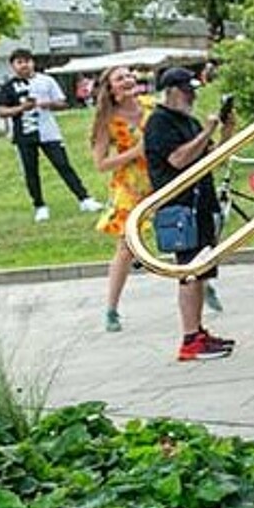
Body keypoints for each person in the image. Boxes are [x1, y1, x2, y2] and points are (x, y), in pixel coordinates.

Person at [140, 66, 233, 361]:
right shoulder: (159, 123)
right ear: (171, 91)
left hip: (200, 204)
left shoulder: (188, 121)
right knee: (189, 272)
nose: (192, 96)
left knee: (200, 270)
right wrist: (206, 132)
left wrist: (225, 130)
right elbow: (178, 160)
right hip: (180, 206)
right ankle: (190, 336)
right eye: (187, 90)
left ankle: (198, 330)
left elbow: (210, 158)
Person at [0, 48, 99, 220]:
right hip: (24, 134)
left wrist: (47, 104)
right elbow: (1, 111)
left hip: (49, 131)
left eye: (27, 61)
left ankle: (84, 198)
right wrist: (21, 108)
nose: (24, 65)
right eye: (19, 62)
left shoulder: (46, 80)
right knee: (30, 170)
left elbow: (62, 102)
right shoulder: (8, 87)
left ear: (33, 62)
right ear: (13, 66)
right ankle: (39, 205)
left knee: (63, 164)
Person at [87, 66, 151, 334]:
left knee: (182, 232)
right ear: (110, 88)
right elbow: (100, 163)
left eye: (129, 76)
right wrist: (135, 152)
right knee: (126, 246)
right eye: (119, 78)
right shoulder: (108, 120)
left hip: (161, 177)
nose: (127, 80)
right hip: (130, 185)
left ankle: (201, 285)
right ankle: (111, 309)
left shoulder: (152, 106)